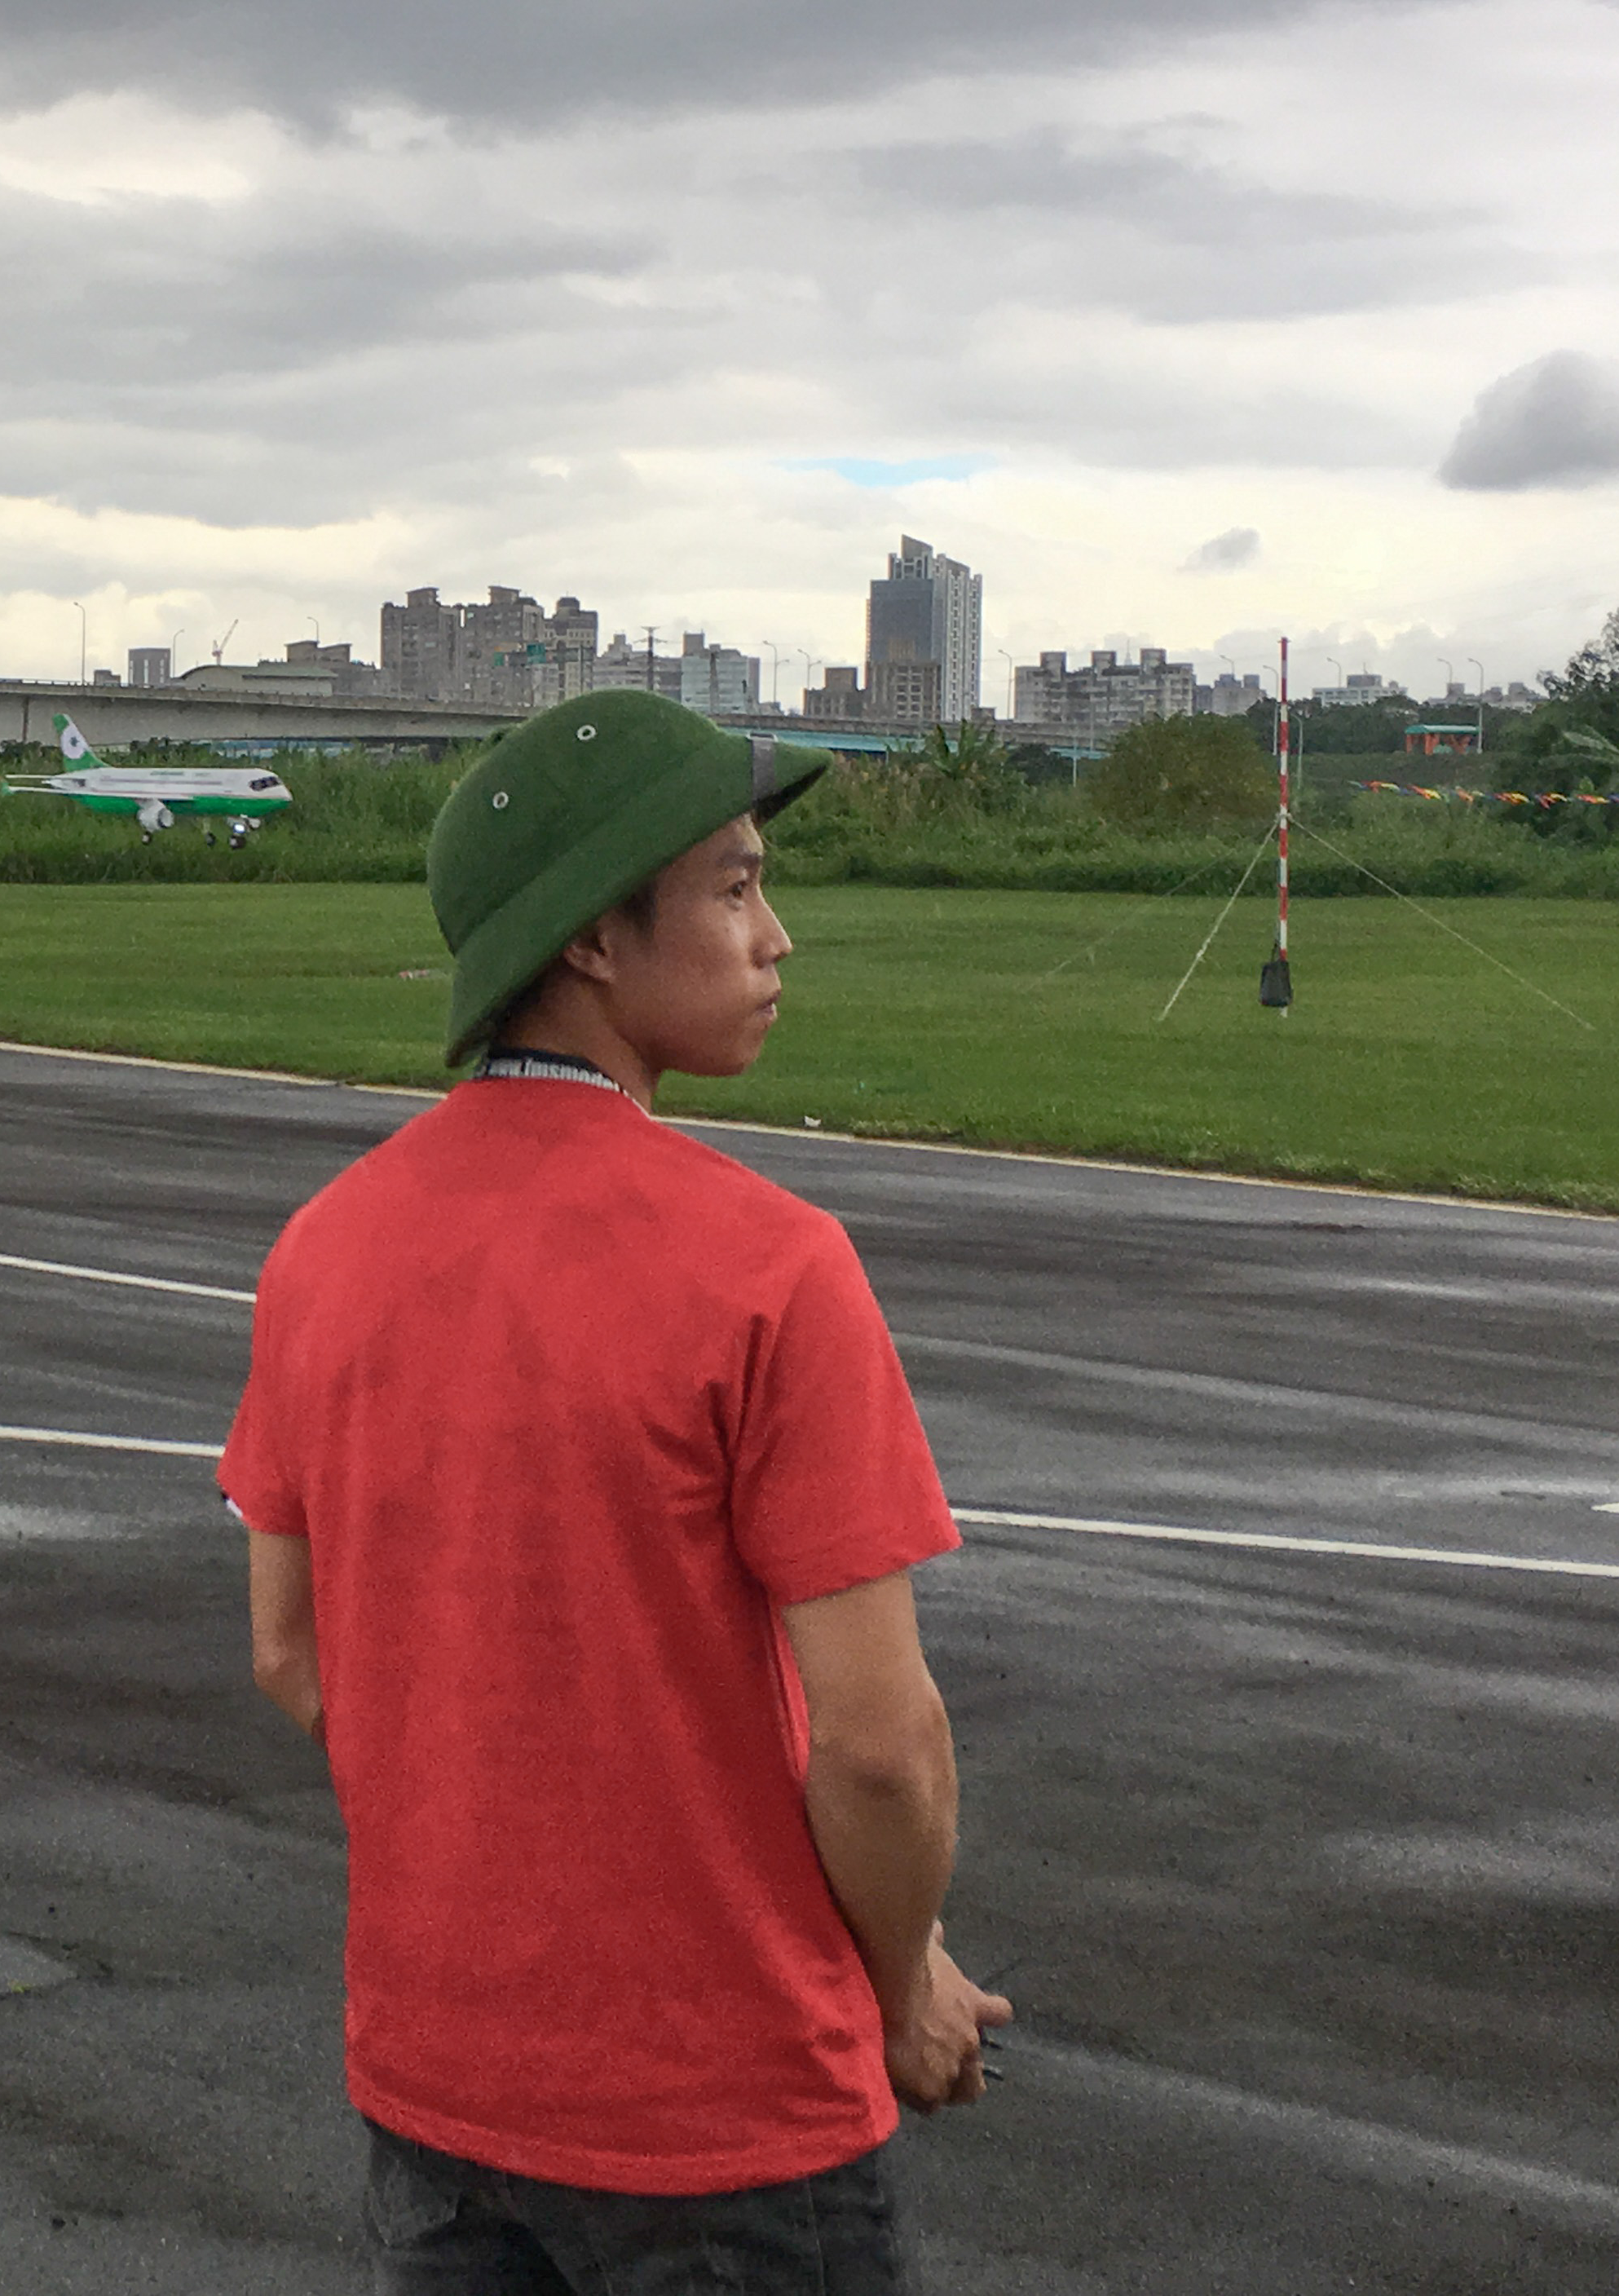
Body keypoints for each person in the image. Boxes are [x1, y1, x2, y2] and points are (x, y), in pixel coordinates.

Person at [218, 691, 1009, 2294]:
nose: (775, 937)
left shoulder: (323, 1248)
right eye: (734, 888)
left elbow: (291, 1651)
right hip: (723, 2127)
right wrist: (901, 1977)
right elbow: (880, 1749)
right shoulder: (772, 1267)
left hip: (439, 2093)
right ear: (590, 938)